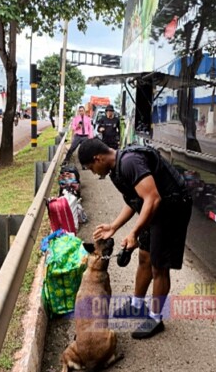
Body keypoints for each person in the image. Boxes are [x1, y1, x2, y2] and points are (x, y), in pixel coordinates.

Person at [78, 138, 192, 339]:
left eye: (91, 168)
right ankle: (137, 305)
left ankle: (156, 318)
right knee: (144, 257)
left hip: (172, 209)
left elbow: (152, 198)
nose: (94, 173)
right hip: (156, 208)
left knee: (159, 265)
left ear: (98, 158)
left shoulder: (130, 162)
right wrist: (114, 226)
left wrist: (134, 233)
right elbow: (135, 200)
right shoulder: (115, 170)